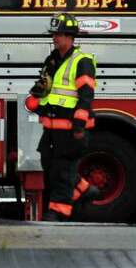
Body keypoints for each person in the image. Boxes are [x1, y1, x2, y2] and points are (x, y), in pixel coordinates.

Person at [24, 14, 101, 222]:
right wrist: (35, 100)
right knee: (50, 167)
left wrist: (79, 126)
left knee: (63, 173)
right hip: (51, 128)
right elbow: (47, 88)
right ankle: (84, 190)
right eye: (53, 34)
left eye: (58, 34)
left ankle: (57, 213)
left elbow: (86, 96)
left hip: (71, 129)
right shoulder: (52, 59)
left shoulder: (82, 62)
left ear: (70, 36)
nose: (54, 38)